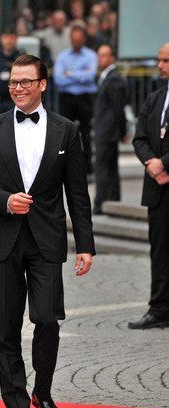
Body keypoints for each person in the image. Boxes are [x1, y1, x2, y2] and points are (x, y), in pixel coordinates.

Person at [0, 54, 95, 408]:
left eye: (25, 82)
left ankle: (44, 392)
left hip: (47, 239)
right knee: (6, 326)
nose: (17, 88)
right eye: (13, 83)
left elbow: (77, 193)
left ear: (42, 84)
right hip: (4, 239)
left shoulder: (67, 130)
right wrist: (4, 199)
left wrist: (85, 244)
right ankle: (17, 404)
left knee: (48, 320)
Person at [128, 42, 169, 330]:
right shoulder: (155, 98)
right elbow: (139, 137)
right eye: (159, 59)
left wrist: (164, 163)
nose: (160, 65)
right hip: (157, 188)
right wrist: (152, 164)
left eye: (165, 60)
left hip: (163, 173)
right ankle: (159, 308)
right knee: (160, 250)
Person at [53, 25, 98, 175]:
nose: (77, 42)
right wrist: (80, 75)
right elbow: (58, 79)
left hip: (85, 98)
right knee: (65, 134)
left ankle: (88, 169)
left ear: (84, 39)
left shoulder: (91, 55)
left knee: (86, 134)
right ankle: (65, 169)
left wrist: (70, 73)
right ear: (71, 39)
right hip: (67, 98)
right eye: (74, 39)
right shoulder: (62, 56)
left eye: (79, 39)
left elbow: (90, 77)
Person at [92, 44, 127, 214]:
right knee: (110, 167)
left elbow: (118, 108)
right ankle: (113, 200)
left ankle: (101, 203)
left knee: (103, 167)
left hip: (108, 131)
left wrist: (122, 130)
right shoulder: (107, 76)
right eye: (99, 55)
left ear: (112, 57)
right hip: (107, 130)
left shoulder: (114, 78)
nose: (100, 59)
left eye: (104, 56)